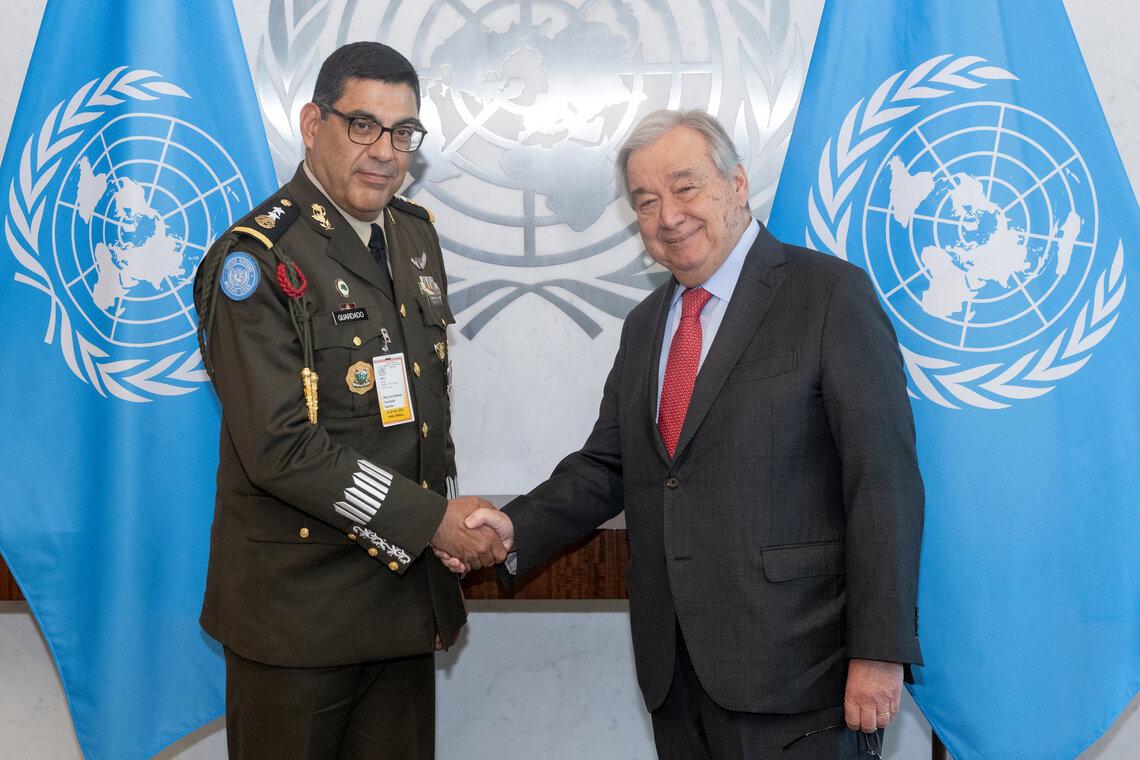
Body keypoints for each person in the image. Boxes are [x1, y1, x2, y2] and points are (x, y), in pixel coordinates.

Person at [453, 109, 924, 759]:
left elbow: (884, 482)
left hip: (801, 677)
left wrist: (879, 653)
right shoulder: (646, 325)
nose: (667, 214)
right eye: (645, 201)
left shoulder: (829, 297)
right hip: (677, 675)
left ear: (735, 185)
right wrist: (513, 529)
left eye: (685, 187)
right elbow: (607, 466)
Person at [193, 41, 504, 759]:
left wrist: (435, 544)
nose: (386, 151)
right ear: (312, 124)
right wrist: (433, 522)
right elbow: (280, 448)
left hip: (396, 603)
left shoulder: (413, 239)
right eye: (363, 125)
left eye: (403, 133)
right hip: (298, 616)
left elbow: (421, 419)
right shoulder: (256, 261)